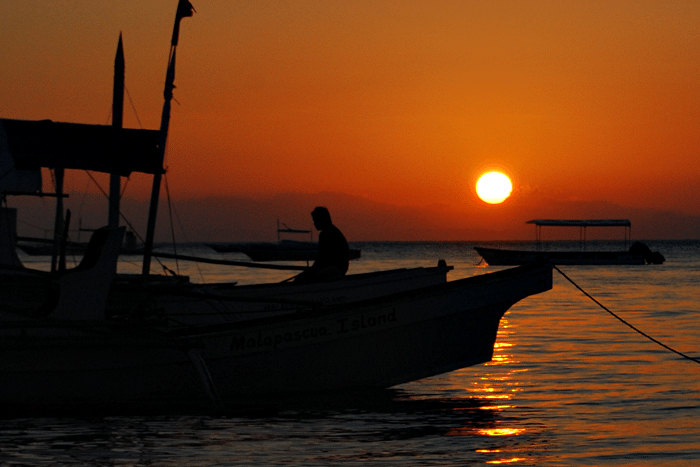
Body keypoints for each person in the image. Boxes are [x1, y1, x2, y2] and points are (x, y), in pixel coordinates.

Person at [294, 206, 349, 283]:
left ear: (322, 219)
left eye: (315, 220)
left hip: (334, 268)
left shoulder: (326, 234)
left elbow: (323, 258)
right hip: (340, 267)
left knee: (300, 279)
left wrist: (312, 270)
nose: (314, 223)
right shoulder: (333, 230)